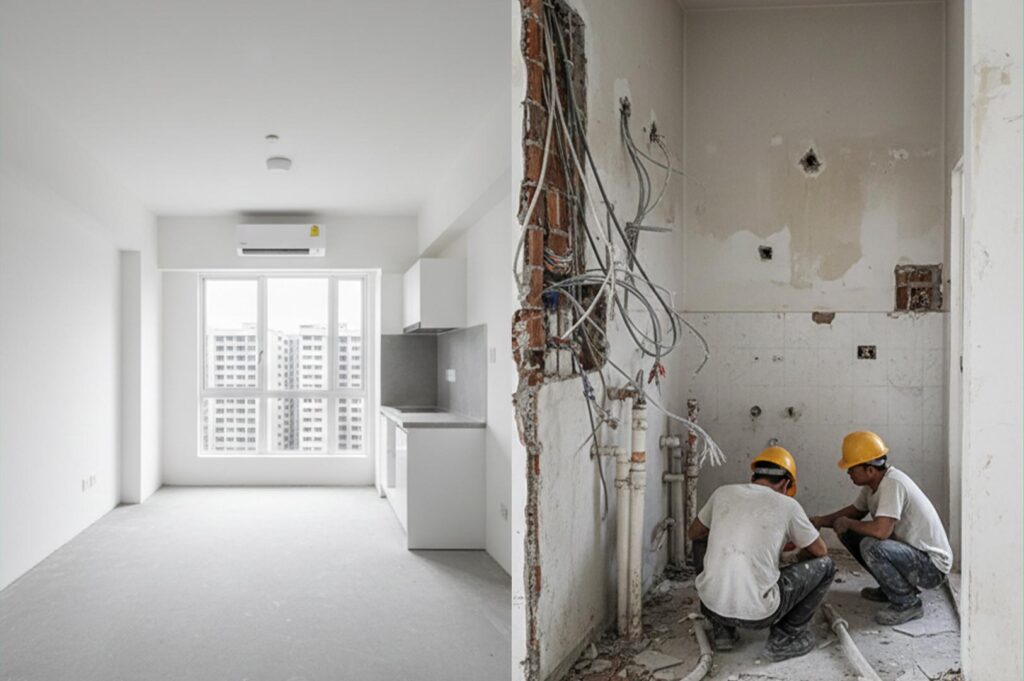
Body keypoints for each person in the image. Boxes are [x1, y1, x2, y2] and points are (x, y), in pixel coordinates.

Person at [688, 446, 835, 662]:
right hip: (761, 614)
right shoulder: (789, 505)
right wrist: (795, 557)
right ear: (786, 483)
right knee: (827, 566)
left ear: (754, 476)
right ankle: (785, 639)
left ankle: (723, 630)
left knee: (700, 540)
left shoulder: (722, 492)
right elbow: (821, 551)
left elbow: (694, 532)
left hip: (712, 606)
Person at [811, 431, 953, 626]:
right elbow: (854, 512)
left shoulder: (892, 485)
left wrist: (848, 522)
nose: (848, 473)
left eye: (851, 468)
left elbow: (881, 531)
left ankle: (908, 602)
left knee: (872, 546)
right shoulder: (873, 485)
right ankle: (892, 588)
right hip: (913, 556)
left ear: (869, 469)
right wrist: (821, 521)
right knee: (848, 531)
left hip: (932, 568)